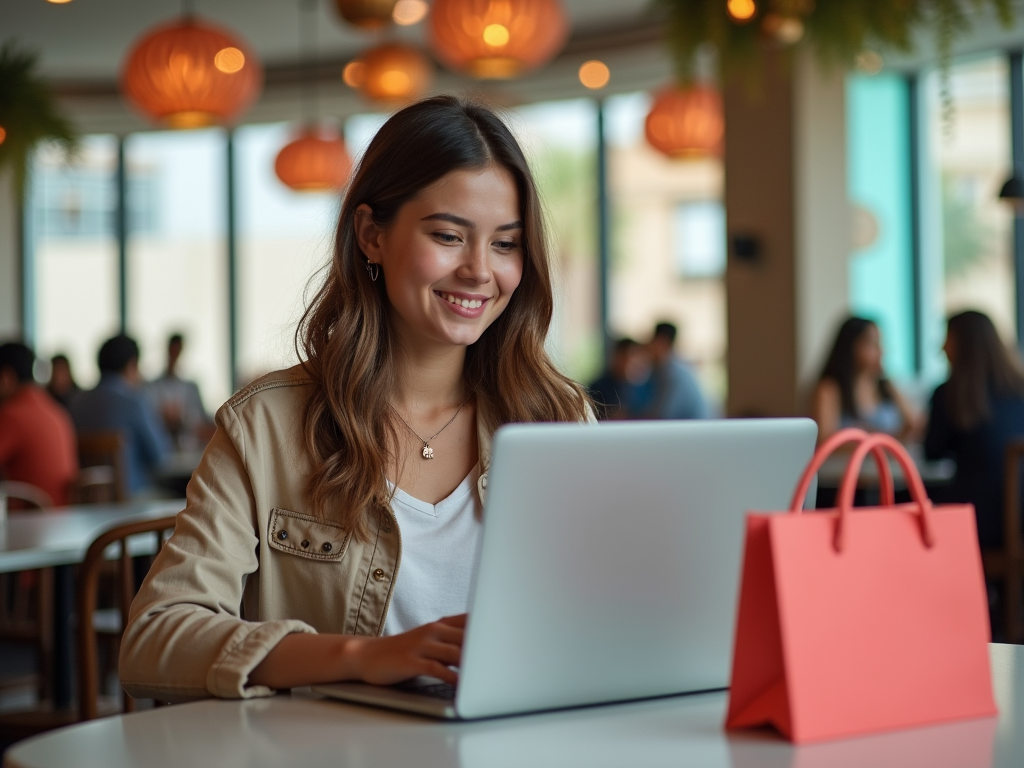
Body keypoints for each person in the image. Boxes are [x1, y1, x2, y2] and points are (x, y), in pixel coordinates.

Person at [120, 96, 593, 701]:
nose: (480, 270)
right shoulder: (268, 426)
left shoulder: (555, 419)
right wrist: (361, 656)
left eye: (506, 244)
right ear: (372, 234)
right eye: (449, 236)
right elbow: (155, 638)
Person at [924, 311, 1024, 550]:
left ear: (961, 344)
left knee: (906, 501)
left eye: (947, 339)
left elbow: (932, 452)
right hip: (1020, 519)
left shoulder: (951, 395)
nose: (942, 349)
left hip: (978, 521)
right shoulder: (1019, 390)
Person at [70, 335, 171, 497]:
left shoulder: (76, 402)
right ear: (132, 364)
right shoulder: (135, 402)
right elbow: (160, 457)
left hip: (86, 503)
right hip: (130, 503)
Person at [812, 317, 920, 445]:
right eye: (872, 344)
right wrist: (875, 441)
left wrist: (890, 383)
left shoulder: (885, 386)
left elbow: (914, 424)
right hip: (847, 464)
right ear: (851, 346)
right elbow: (826, 441)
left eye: (880, 344)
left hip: (886, 462)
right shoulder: (829, 388)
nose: (881, 351)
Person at [0, 342, 78, 507]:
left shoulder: (12, 414)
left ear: (6, 378)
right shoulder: (55, 410)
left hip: (30, 523)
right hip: (64, 518)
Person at [146, 333, 213, 450]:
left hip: (189, 445)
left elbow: (203, 418)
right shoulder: (152, 387)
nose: (175, 356)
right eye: (173, 352)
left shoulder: (191, 387)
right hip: (161, 446)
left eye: (178, 352)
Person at [644, 322, 709, 420]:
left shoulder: (675, 374)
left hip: (697, 432)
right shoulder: (662, 370)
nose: (648, 347)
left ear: (661, 342)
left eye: (652, 342)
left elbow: (664, 415)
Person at [588, 337, 652, 419]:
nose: (634, 364)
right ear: (617, 357)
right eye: (629, 358)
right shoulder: (597, 389)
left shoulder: (645, 388)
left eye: (637, 359)